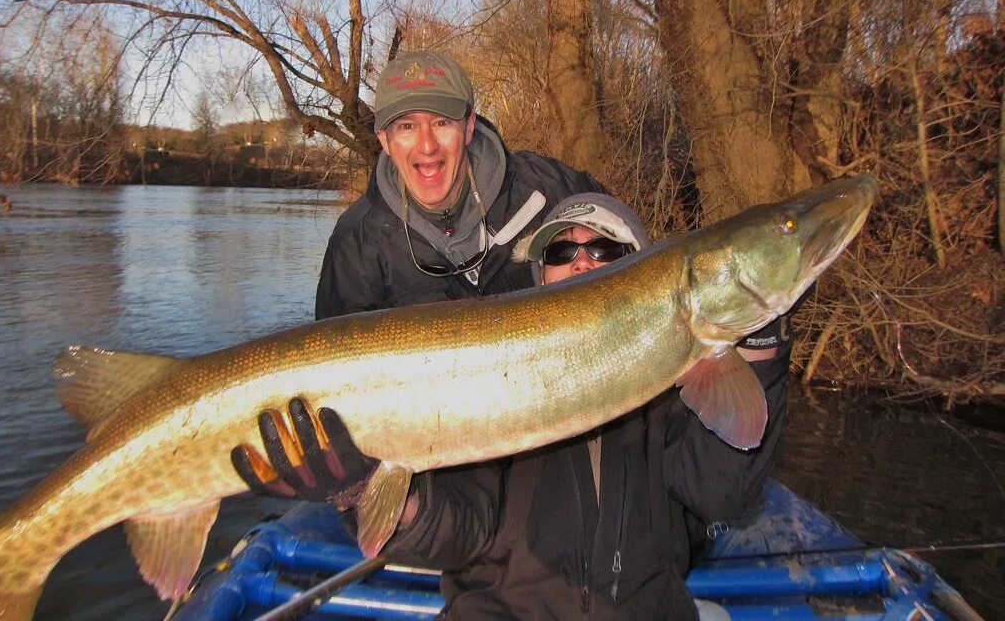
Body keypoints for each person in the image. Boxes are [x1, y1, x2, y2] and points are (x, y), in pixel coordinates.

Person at [232, 192, 794, 620]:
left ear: (642, 268)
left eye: (604, 249)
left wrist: (761, 354)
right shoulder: (487, 384)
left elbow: (723, 492)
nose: (581, 261)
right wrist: (367, 492)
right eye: (561, 250)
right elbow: (459, 530)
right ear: (538, 276)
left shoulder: (676, 392)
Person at [313, 50, 604, 320]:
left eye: (442, 123)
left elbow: (633, 255)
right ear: (384, 141)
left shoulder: (546, 188)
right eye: (406, 127)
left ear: (468, 128)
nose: (427, 146)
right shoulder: (356, 241)